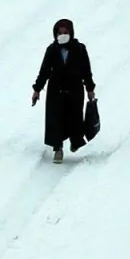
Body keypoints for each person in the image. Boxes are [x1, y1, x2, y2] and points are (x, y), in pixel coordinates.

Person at [31, 18, 97, 164]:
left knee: (74, 117)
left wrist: (90, 88)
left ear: (71, 33)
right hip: (56, 90)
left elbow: (86, 71)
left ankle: (75, 141)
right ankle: (58, 149)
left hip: (75, 89)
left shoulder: (79, 49)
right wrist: (37, 89)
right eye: (60, 33)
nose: (62, 35)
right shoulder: (52, 50)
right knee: (56, 119)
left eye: (66, 32)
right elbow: (44, 71)